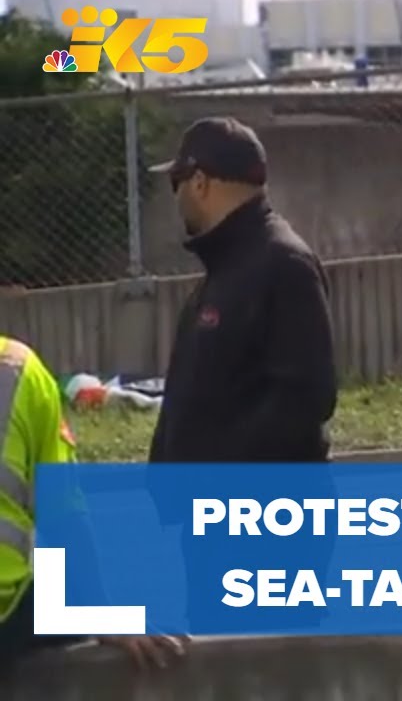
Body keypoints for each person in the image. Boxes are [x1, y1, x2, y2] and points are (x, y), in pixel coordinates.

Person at [147, 116, 338, 633]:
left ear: (201, 182)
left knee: (264, 668)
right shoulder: (225, 273)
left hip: (267, 532)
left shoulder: (282, 264)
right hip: (222, 525)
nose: (177, 197)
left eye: (177, 183)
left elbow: (306, 398)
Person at [0, 336, 187, 671]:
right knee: (64, 589)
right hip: (6, 615)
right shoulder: (17, 370)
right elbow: (61, 515)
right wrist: (100, 610)